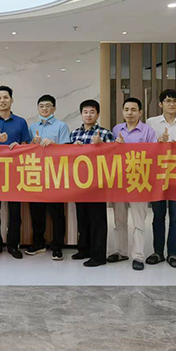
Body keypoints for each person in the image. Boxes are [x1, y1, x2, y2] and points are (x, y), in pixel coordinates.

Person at [145, 89, 176, 269]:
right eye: (167, 101)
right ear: (160, 104)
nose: (171, 104)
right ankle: (158, 252)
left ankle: (173, 253)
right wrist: (158, 143)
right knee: (158, 216)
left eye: (174, 101)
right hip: (157, 176)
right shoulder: (151, 123)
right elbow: (145, 149)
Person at [0, 85, 31, 259]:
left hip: (15, 172)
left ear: (11, 100)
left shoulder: (21, 122)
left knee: (15, 211)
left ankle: (13, 245)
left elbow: (26, 145)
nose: (2, 101)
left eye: (5, 97)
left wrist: (19, 147)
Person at [111, 97, 157, 271]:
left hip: (139, 181)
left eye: (133, 110)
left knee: (138, 221)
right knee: (119, 219)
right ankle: (120, 251)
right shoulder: (117, 129)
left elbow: (154, 154)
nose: (129, 113)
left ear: (140, 112)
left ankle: (138, 255)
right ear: (122, 112)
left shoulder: (148, 131)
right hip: (119, 180)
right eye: (126, 109)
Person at [69, 99, 114, 267]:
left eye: (92, 112)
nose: (88, 115)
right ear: (81, 114)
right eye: (85, 112)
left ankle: (99, 255)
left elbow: (113, 155)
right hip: (79, 182)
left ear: (98, 114)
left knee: (97, 220)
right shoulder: (74, 133)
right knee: (82, 217)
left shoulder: (105, 133)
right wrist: (73, 147)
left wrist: (101, 145)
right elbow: (67, 157)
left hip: (97, 183)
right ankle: (84, 249)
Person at [26, 94, 71, 261]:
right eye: (41, 106)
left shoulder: (61, 126)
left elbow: (67, 150)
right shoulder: (32, 127)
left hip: (55, 175)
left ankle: (57, 246)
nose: (44, 109)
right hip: (36, 174)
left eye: (48, 106)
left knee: (57, 213)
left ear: (54, 109)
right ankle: (38, 243)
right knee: (36, 212)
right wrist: (32, 142)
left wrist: (53, 144)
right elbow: (26, 149)